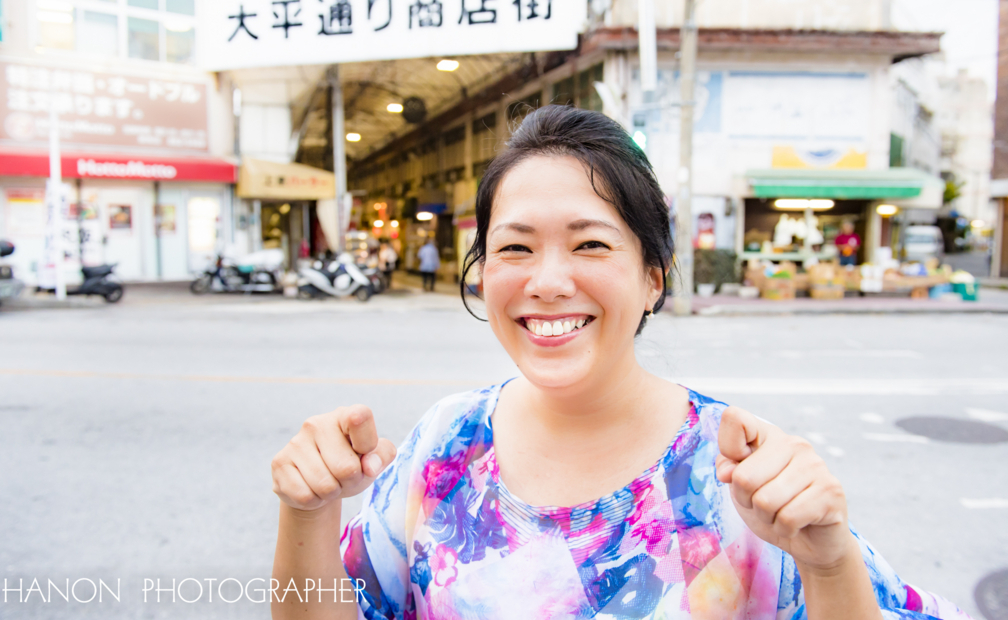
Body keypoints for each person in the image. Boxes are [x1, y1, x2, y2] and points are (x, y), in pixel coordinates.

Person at [270, 106, 973, 620]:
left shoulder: (738, 474)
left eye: (591, 245)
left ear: (653, 278)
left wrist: (828, 562)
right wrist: (309, 513)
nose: (546, 280)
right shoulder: (444, 444)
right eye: (514, 248)